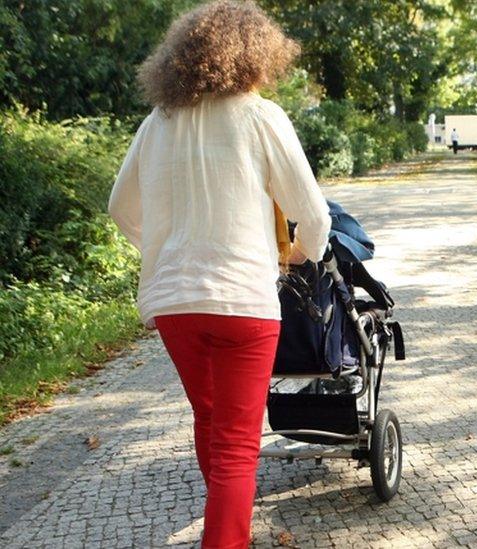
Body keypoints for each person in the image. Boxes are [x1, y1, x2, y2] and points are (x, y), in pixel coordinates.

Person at [107, 2, 331, 547]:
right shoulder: (259, 116)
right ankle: (227, 535)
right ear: (257, 53)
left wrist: (161, 250)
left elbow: (119, 207)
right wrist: (300, 254)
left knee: (209, 417)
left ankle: (229, 526)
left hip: (173, 302)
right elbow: (316, 216)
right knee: (235, 443)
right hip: (241, 299)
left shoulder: (158, 121)